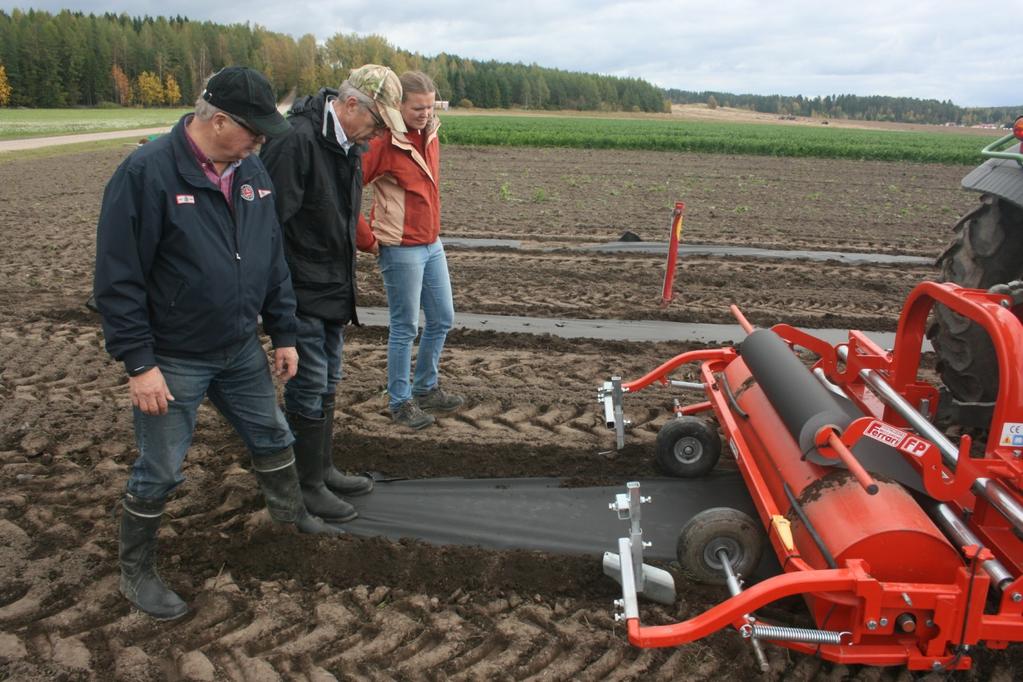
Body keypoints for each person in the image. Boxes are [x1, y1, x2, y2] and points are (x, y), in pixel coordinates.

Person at [93, 66, 342, 622]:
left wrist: (283, 331)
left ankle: (287, 518)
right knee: (160, 468)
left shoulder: (251, 169)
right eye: (253, 129)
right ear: (219, 120)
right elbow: (117, 279)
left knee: (272, 435)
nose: (261, 140)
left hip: (238, 348)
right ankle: (137, 572)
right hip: (172, 358)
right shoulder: (147, 173)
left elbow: (271, 256)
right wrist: (139, 364)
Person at [259, 65, 406, 520]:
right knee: (308, 384)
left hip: (332, 286)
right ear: (349, 105)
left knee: (327, 380)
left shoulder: (348, 146)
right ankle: (305, 485)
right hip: (299, 290)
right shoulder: (296, 141)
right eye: (377, 122)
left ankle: (322, 470)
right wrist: (279, 304)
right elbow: (269, 228)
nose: (379, 133)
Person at [357, 71, 464, 430]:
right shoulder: (382, 141)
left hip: (431, 243)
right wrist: (367, 238)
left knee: (442, 318)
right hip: (400, 248)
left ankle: (425, 387)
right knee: (404, 327)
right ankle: (400, 401)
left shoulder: (430, 132)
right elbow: (345, 190)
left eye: (430, 106)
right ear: (398, 104)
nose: (425, 113)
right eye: (418, 107)